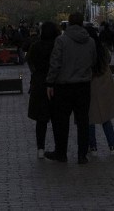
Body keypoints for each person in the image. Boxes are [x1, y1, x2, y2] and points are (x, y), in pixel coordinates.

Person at [45, 12, 97, 164]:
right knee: (83, 121)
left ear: (68, 23)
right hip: (84, 85)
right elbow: (93, 61)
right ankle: (82, 155)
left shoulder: (61, 40)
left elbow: (55, 63)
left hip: (64, 86)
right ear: (82, 23)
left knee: (62, 121)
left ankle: (61, 153)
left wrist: (50, 82)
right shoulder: (90, 41)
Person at [87, 26, 114, 156]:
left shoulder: (86, 50)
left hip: (90, 85)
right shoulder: (103, 50)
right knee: (106, 118)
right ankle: (112, 146)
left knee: (90, 118)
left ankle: (93, 147)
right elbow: (108, 61)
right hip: (104, 85)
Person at [27, 21, 59, 158]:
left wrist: (35, 73)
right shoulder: (57, 46)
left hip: (39, 84)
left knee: (41, 119)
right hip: (56, 83)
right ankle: (59, 146)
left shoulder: (36, 46)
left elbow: (29, 60)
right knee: (57, 118)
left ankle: (40, 147)